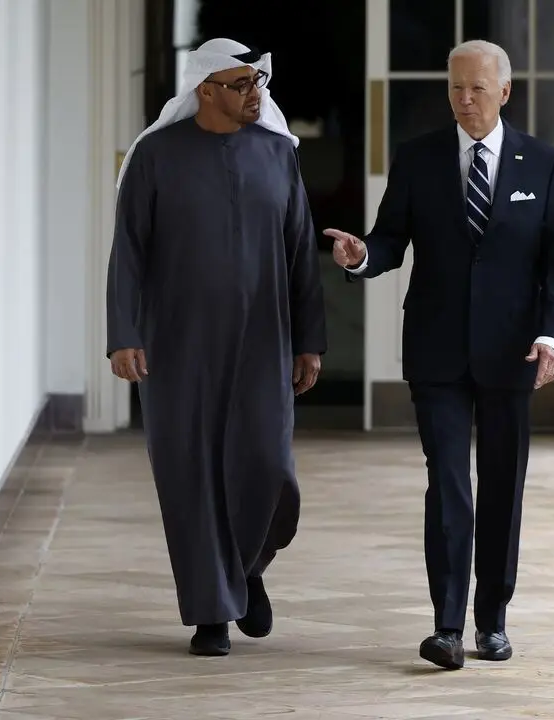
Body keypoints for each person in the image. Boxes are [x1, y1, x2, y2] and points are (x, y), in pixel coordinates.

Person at [325, 39, 554, 670]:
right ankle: (446, 626)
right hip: (436, 351)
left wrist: (551, 338)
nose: (465, 101)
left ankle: (492, 621)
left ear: (505, 92)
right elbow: (390, 239)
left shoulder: (545, 165)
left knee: (501, 489)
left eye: (478, 89)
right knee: (448, 485)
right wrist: (362, 256)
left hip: (512, 353)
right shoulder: (418, 158)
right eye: (455, 89)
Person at [106, 38, 327, 657]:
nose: (255, 93)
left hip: (265, 339)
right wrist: (123, 334)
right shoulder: (157, 156)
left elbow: (300, 249)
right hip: (178, 344)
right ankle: (211, 613)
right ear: (205, 91)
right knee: (191, 474)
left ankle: (248, 567)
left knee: (269, 468)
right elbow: (128, 250)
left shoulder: (278, 154)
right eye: (241, 84)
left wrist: (309, 340)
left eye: (258, 82)